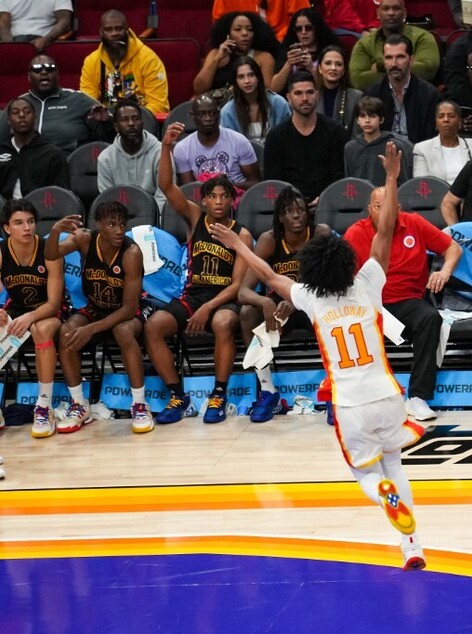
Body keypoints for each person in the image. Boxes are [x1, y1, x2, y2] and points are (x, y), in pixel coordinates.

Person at [210, 141, 428, 572]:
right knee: (395, 462)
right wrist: (389, 177)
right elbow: (384, 232)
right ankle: (413, 545)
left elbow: (269, 274)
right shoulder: (368, 282)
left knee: (367, 474)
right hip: (385, 393)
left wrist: (238, 242)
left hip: (349, 404)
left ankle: (380, 493)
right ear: (348, 263)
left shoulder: (311, 297)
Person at [149, 122, 254, 425]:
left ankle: (218, 395)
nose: (219, 201)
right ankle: (177, 396)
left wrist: (208, 308)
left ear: (232, 200)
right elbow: (168, 187)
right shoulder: (195, 218)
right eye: (213, 196)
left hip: (222, 300)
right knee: (154, 326)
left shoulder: (242, 234)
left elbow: (237, 286)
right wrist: (166, 146)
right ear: (204, 200)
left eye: (224, 196)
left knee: (223, 322)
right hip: (193, 295)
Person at [344, 185, 462, 422]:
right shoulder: (355, 234)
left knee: (431, 318)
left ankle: (418, 397)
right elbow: (346, 280)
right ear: (369, 209)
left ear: (397, 208)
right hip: (371, 303)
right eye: (378, 207)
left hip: (408, 301)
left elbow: (453, 247)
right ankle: (356, 398)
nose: (384, 211)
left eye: (389, 206)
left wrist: (444, 271)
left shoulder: (414, 223)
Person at [45, 202, 154, 434]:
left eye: (122, 225)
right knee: (66, 332)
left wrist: (91, 329)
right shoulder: (84, 240)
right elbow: (51, 253)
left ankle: (140, 404)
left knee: (122, 331)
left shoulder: (131, 253)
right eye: (111, 224)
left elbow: (128, 308)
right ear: (99, 225)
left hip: (130, 310)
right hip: (97, 307)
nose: (118, 230)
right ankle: (79, 404)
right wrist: (55, 231)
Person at [238, 188, 325, 423]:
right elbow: (243, 291)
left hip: (313, 303)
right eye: (289, 211)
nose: (296, 215)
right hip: (280, 310)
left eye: (300, 210)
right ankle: (268, 391)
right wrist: (264, 301)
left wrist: (298, 299)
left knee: (333, 312)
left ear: (308, 213)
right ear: (280, 217)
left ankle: (336, 390)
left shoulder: (320, 234)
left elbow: (332, 282)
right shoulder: (269, 240)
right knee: (247, 313)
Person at [0, 199, 65, 439]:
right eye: (19, 223)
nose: (27, 228)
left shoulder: (49, 250)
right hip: (18, 310)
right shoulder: (1, 252)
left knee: (41, 329)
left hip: (50, 312)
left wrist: (29, 317)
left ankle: (44, 406)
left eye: (30, 222)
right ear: (7, 228)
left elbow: (54, 303)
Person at [0, 53, 113, 154]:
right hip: (26, 165)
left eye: (50, 69)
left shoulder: (79, 99)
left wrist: (106, 122)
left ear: (58, 75)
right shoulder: (18, 104)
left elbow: (110, 137)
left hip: (71, 164)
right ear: (29, 77)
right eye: (37, 69)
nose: (44, 72)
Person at [264, 71, 347, 207]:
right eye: (298, 93)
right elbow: (273, 182)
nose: (305, 98)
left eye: (309, 92)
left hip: (328, 205)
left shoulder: (335, 131)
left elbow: (339, 177)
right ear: (289, 98)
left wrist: (324, 199)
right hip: (288, 207)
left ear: (317, 95)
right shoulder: (275, 136)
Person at [78, 10, 170, 116]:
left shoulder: (149, 59)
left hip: (140, 122)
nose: (114, 34)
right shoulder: (91, 61)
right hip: (106, 122)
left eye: (119, 29)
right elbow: (87, 104)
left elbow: (159, 105)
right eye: (108, 30)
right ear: (101, 32)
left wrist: (130, 120)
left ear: (127, 30)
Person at [362, 35, 440, 145]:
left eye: (400, 57)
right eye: (389, 58)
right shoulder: (372, 94)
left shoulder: (429, 95)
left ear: (411, 60)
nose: (394, 64)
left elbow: (432, 140)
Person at [348, 0, 439, 91]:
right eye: (386, 8)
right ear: (378, 14)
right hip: (377, 99)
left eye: (396, 8)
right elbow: (358, 80)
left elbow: (427, 70)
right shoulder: (364, 43)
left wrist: (380, 66)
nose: (391, 13)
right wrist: (403, 69)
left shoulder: (422, 37)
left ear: (405, 13)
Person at [173, 93, 261, 188]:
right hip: (202, 201)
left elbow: (255, 183)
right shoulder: (182, 148)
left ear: (218, 114)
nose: (208, 118)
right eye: (202, 114)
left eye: (212, 113)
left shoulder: (239, 141)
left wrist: (225, 190)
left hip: (237, 197)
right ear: (192, 116)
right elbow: (189, 190)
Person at [97, 99, 166, 210]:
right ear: (116, 126)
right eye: (125, 120)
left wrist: (152, 218)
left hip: (153, 215)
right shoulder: (105, 158)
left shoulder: (161, 152)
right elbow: (107, 198)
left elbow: (164, 195)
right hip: (120, 218)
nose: (131, 124)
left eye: (136, 119)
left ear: (142, 123)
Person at [194, 12, 280, 96]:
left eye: (249, 29)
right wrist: (217, 60)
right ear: (228, 35)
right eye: (238, 29)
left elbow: (268, 94)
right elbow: (199, 89)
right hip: (214, 106)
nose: (245, 33)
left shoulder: (264, 57)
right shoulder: (215, 53)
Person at [0, 97, 69, 200]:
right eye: (15, 112)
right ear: (9, 120)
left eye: (27, 112)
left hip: (40, 210)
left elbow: (61, 195)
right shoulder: (2, 149)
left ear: (35, 117)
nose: (22, 115)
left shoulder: (52, 153)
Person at [413, 100, 472, 185]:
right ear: (436, 122)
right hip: (437, 197)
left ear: (459, 121)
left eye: (451, 116)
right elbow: (421, 185)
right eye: (441, 116)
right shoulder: (422, 149)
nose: (446, 120)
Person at [344, 96, 413, 185]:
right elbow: (349, 181)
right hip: (359, 196)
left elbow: (403, 181)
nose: (367, 120)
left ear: (381, 119)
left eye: (372, 116)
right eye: (362, 116)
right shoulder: (350, 148)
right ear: (357, 120)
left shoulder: (394, 146)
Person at [221, 56, 291, 144]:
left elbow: (290, 137)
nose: (247, 81)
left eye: (251, 75)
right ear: (236, 81)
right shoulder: (227, 112)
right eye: (241, 77)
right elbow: (228, 146)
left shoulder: (279, 103)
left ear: (258, 77)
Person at [269, 7, 338, 93]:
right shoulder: (287, 50)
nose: (303, 32)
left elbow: (328, 89)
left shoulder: (328, 51)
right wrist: (289, 64)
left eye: (308, 28)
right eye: (299, 29)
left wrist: (311, 68)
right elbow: (274, 89)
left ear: (317, 28)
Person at [314, 45, 362, 134]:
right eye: (328, 63)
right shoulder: (310, 96)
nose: (333, 68)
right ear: (320, 68)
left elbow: (357, 135)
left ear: (344, 70)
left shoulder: (356, 97)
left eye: (338, 64)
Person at [212, 0, 309, 41]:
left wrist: (278, 41)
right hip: (241, 49)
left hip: (283, 45)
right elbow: (220, 30)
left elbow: (304, 18)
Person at [0, 0, 71, 51]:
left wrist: (46, 40)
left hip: (47, 40)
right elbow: (3, 22)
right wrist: (9, 45)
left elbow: (65, 21)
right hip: (16, 39)